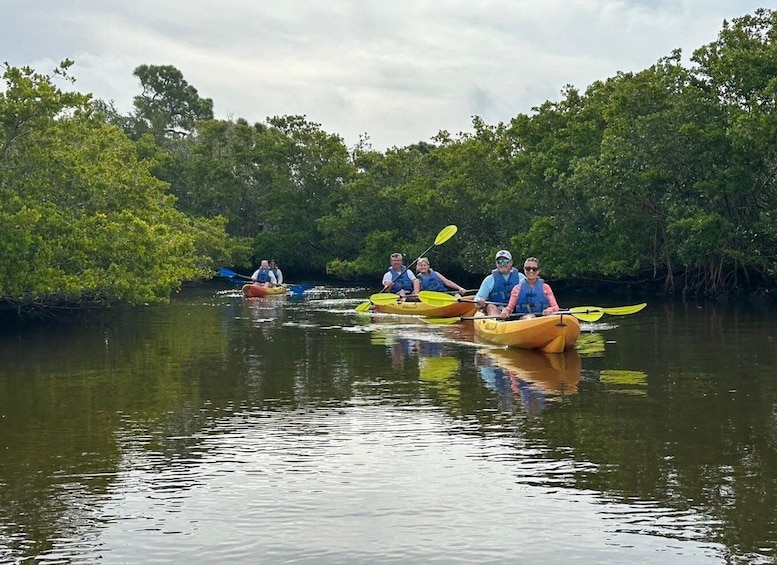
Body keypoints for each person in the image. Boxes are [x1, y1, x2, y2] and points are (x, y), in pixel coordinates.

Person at [474, 250, 526, 315]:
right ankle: (497, 321)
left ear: (511, 263)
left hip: (517, 311)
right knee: (491, 306)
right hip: (497, 311)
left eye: (505, 261)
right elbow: (478, 297)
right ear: (496, 263)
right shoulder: (489, 280)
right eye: (499, 262)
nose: (502, 264)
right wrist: (479, 301)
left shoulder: (521, 277)